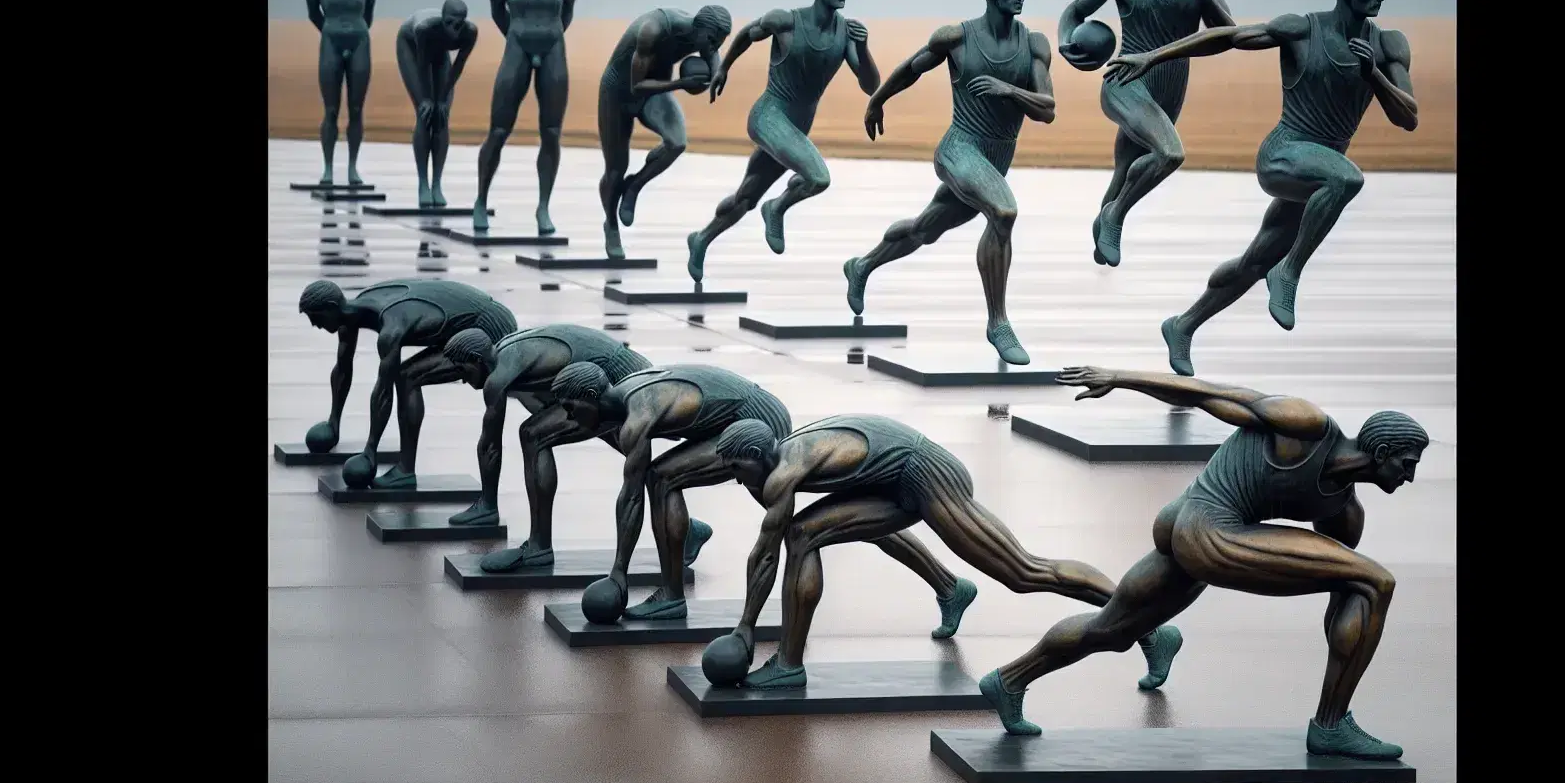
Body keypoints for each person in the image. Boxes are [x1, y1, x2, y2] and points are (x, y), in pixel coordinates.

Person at [977, 365, 1427, 761]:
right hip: (1206, 528)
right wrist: (1119, 378)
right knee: (1375, 581)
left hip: (1187, 527)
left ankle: (1009, 679)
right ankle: (1331, 727)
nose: (1409, 476)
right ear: (1382, 453)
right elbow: (1207, 393)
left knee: (1112, 630)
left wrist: (1344, 648)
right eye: (1407, 464)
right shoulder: (1306, 426)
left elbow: (1340, 603)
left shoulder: (1343, 511)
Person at [702, 414, 1184, 689]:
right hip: (890, 478)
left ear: (757, 457)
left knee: (1023, 572)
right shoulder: (776, 464)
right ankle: (947, 590)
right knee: (808, 533)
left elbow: (763, 553)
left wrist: (744, 626)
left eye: (735, 469)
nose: (732, 478)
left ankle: (1150, 626)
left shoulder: (784, 473)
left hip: (927, 475)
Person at [1103, 0, 1419, 373]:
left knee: (1253, 263)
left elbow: (1408, 118)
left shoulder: (1389, 45)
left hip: (1318, 174)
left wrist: (1374, 75)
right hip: (1284, 155)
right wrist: (1152, 57)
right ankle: (1289, 272)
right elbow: (1229, 37)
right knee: (1347, 178)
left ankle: (1183, 325)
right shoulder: (1301, 29)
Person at [544, 364, 963, 625]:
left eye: (570, 407)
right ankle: (947, 585)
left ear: (593, 397)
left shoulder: (637, 416)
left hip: (754, 424)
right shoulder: (623, 397)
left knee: (661, 479)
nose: (566, 418)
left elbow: (630, 494)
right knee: (848, 516)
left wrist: (619, 571)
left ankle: (671, 597)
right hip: (738, 417)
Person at [842, 0, 1055, 365]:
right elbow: (911, 68)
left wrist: (1007, 89)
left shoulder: (1034, 44)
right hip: (959, 148)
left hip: (996, 156)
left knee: (925, 229)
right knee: (1003, 211)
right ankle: (999, 323)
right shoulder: (956, 37)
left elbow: (1047, 109)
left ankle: (862, 265)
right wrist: (877, 99)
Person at [433, 324, 723, 575]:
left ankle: (538, 547)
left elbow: (490, 442)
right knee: (635, 461)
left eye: (462, 369)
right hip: (616, 374)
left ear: (475, 358)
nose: (461, 377)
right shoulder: (510, 355)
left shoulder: (499, 376)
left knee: (534, 436)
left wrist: (487, 505)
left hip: (616, 380)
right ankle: (686, 531)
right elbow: (541, 398)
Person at [1055, 0, 1235, 266]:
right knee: (1169, 152)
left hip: (1171, 85)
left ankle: (1103, 234)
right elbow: (1074, 11)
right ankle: (1114, 217)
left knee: (1125, 171)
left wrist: (1212, 2)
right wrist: (1065, 41)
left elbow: (1227, 36)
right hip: (1125, 81)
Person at [686, 0, 880, 281]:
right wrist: (724, 67)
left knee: (746, 197)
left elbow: (871, 85)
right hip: (768, 117)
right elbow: (748, 35)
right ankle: (777, 208)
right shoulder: (785, 21)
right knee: (818, 177)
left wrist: (863, 46)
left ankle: (702, 238)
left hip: (796, 128)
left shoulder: (847, 33)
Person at [297, 279, 518, 489]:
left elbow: (383, 390)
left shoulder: (392, 324)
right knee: (406, 375)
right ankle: (404, 469)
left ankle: (405, 471)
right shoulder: (353, 312)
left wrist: (369, 452)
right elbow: (343, 368)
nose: (314, 324)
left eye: (315, 317)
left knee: (407, 377)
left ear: (332, 306)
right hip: (463, 321)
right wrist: (333, 423)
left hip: (490, 328)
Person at [474, 0, 582, 235]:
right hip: (518, 42)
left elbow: (567, 10)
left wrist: (547, 36)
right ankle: (480, 199)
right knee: (499, 129)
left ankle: (544, 207)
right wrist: (519, 36)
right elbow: (496, 10)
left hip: (553, 43)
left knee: (551, 132)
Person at [597, 6, 733, 258]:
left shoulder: (704, 36)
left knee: (677, 142)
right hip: (618, 92)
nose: (713, 47)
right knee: (615, 169)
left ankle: (635, 186)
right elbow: (636, 86)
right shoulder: (654, 29)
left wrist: (715, 75)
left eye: (719, 43)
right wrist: (681, 84)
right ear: (699, 29)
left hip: (655, 92)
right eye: (712, 40)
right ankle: (611, 224)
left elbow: (712, 56)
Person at [303, 0, 378, 187]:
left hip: (359, 38)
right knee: (331, 108)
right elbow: (313, 12)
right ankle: (327, 168)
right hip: (331, 37)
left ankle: (353, 167)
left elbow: (368, 12)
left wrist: (354, 33)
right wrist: (331, 32)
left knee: (356, 108)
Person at [395, 0, 477, 207]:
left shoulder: (470, 33)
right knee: (425, 112)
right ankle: (423, 183)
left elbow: (458, 66)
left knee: (442, 115)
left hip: (439, 52)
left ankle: (437, 184)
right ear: (442, 19)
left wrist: (442, 99)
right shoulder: (425, 29)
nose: (453, 30)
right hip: (411, 47)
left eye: (458, 25)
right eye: (449, 23)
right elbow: (422, 65)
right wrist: (427, 99)